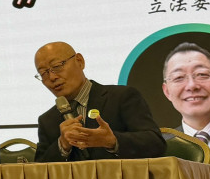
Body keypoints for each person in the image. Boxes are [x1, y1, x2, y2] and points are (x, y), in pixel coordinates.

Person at [34, 42, 164, 162]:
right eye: (43, 73)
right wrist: (62, 145)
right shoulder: (47, 120)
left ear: (79, 61)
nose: (52, 77)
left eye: (56, 66)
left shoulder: (122, 97)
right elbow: (38, 171)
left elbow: (156, 144)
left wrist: (112, 141)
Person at [160, 41, 210, 156]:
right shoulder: (157, 150)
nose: (191, 86)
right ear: (167, 92)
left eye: (202, 74)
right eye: (178, 77)